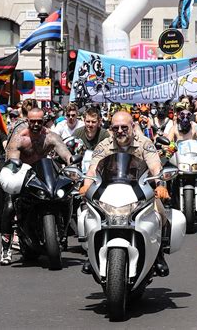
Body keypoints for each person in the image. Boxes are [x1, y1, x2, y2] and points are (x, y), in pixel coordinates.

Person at [79, 111, 171, 276]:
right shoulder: (104, 145)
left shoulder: (145, 143)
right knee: (89, 214)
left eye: (124, 127)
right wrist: (86, 186)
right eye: (116, 128)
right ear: (111, 129)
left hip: (141, 191)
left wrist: (161, 185)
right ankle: (91, 252)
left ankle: (159, 255)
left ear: (133, 127)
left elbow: (155, 167)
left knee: (161, 213)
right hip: (110, 191)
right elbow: (92, 169)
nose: (120, 131)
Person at [0, 108, 73, 265]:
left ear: (43, 120)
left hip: (44, 175)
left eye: (39, 121)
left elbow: (64, 152)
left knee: (67, 197)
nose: (36, 124)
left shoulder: (50, 136)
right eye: (33, 121)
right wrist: (14, 166)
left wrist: (71, 162)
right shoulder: (19, 139)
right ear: (27, 120)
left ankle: (63, 232)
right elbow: (12, 160)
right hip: (23, 177)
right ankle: (6, 249)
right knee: (10, 207)